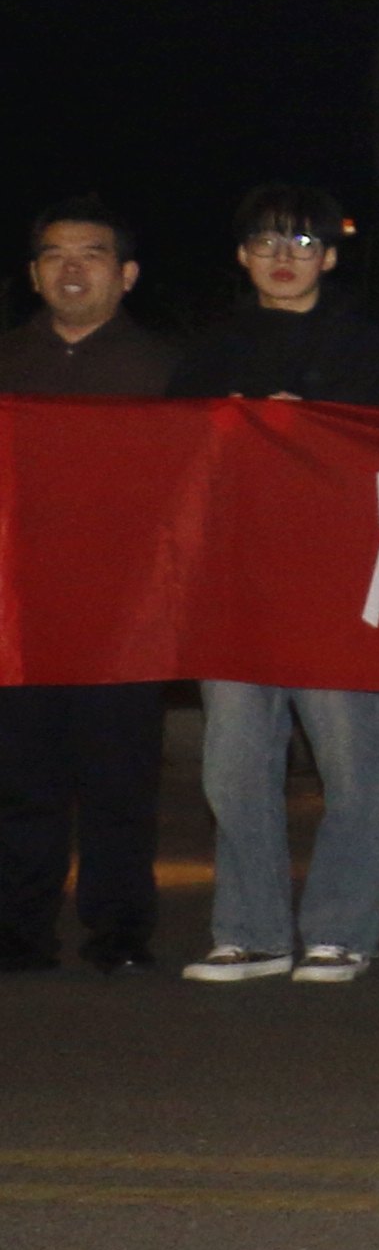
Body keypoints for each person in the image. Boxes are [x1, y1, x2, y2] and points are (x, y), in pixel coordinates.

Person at [166, 187, 379, 984]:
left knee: (351, 762)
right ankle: (250, 931)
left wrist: (314, 430)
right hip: (234, 583)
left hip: (340, 584)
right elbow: (168, 462)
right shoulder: (208, 352)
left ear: (332, 256)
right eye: (267, 243)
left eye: (303, 243)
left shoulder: (376, 351)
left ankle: (342, 931)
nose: (284, 258)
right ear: (242, 256)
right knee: (235, 764)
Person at [1, 196, 177, 976]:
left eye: (92, 254)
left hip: (127, 612)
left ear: (126, 273)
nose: (72, 269)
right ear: (34, 273)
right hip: (19, 608)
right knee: (21, 780)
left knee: (120, 781)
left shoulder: (170, 371)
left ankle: (120, 930)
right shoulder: (7, 362)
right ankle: (18, 930)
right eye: (55, 255)